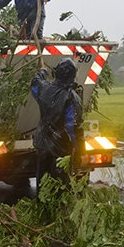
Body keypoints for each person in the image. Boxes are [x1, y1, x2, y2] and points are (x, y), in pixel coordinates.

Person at [30, 58, 83, 200]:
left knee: (42, 184)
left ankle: (43, 214)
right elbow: (73, 128)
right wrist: (79, 152)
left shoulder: (45, 90)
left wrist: (42, 73)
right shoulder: (72, 97)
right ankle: (58, 215)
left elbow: (35, 83)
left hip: (42, 146)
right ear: (72, 76)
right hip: (61, 150)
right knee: (60, 186)